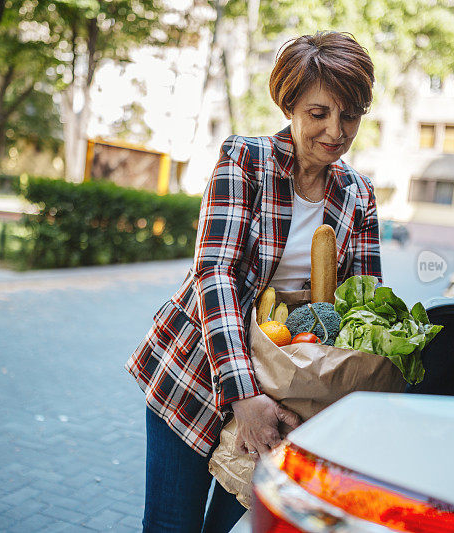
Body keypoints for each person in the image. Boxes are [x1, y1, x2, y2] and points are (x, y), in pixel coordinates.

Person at [126, 31, 383, 533]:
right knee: (169, 526)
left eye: (349, 115)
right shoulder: (245, 160)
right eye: (318, 113)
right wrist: (243, 395)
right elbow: (214, 272)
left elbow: (361, 306)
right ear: (289, 106)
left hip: (282, 402)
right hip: (198, 374)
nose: (335, 130)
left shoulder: (359, 194)